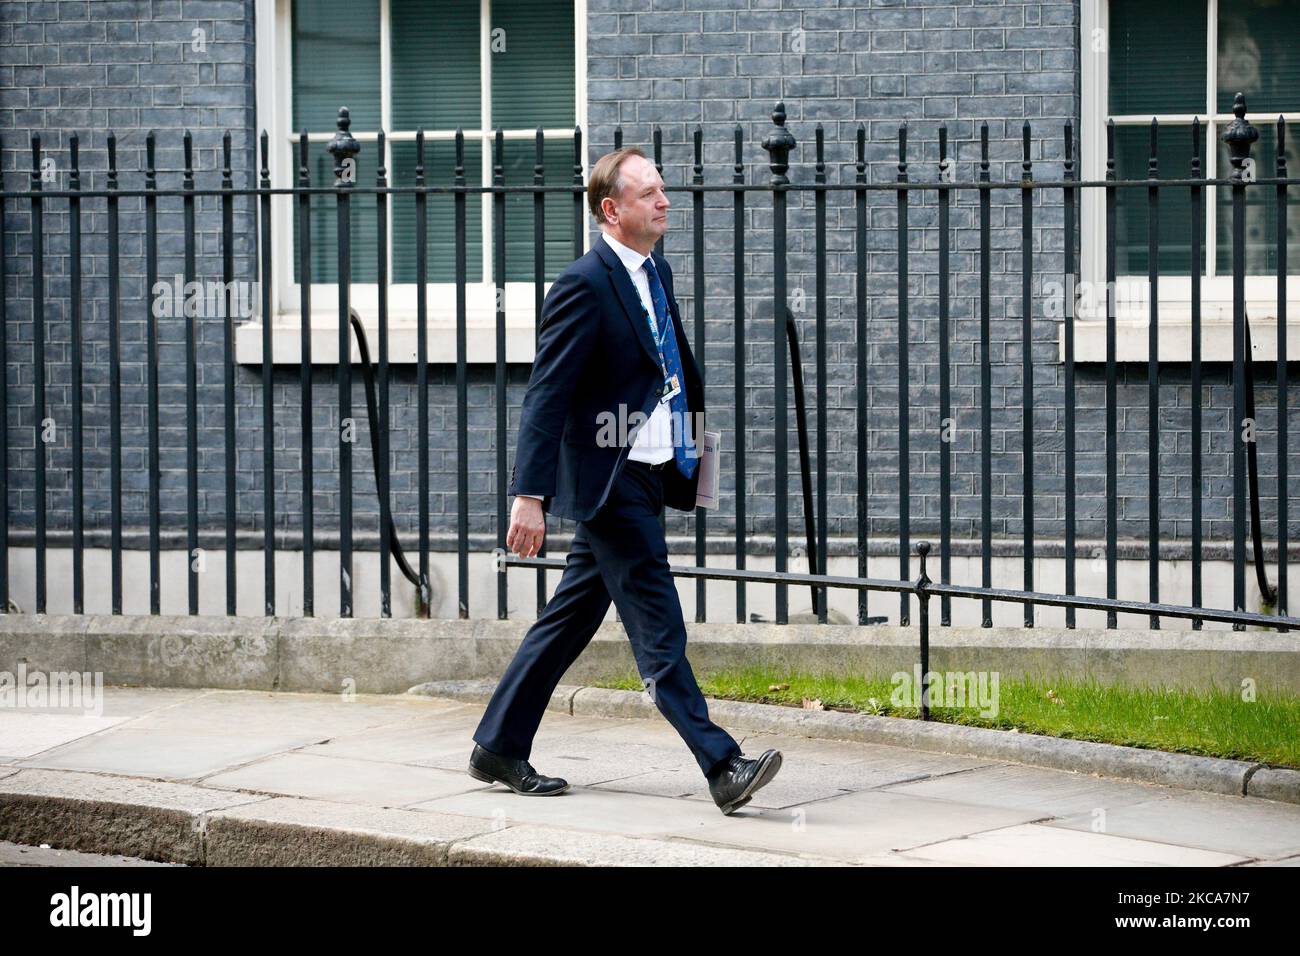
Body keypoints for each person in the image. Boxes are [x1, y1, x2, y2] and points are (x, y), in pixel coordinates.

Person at [467, 147, 783, 815]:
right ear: (612, 210)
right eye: (648, 194)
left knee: (569, 618)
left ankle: (497, 743)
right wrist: (530, 495)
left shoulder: (654, 271)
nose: (664, 202)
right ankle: (723, 765)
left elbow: (663, 369)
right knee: (658, 624)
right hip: (610, 482)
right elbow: (546, 395)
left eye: (663, 190)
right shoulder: (583, 283)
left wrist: (691, 452)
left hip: (649, 470)